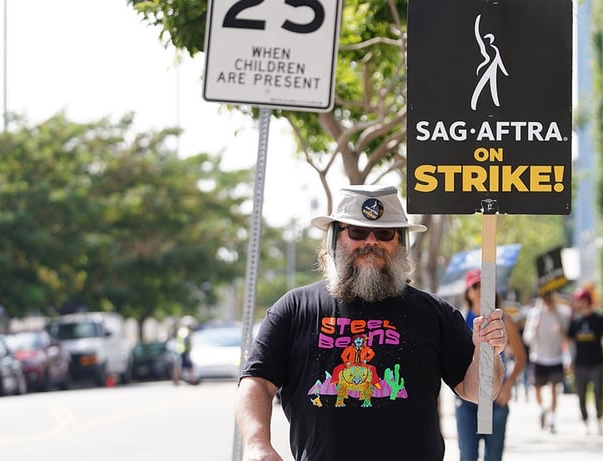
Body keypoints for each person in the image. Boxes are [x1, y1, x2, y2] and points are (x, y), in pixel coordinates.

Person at [235, 185, 509, 461]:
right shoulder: (294, 309)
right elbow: (256, 382)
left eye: (384, 233)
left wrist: (487, 351)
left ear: (399, 242)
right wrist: (257, 444)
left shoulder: (434, 313)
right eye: (357, 231)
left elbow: (477, 392)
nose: (371, 242)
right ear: (334, 238)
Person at [455, 268, 526, 461]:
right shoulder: (458, 320)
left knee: (493, 458)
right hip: (468, 403)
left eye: (485, 285)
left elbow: (521, 357)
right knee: (468, 456)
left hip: (496, 401)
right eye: (475, 285)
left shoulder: (504, 321)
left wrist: (508, 386)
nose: (480, 290)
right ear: (468, 291)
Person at [566, 284, 603, 435]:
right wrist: (569, 361)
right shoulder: (575, 321)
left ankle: (599, 419)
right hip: (580, 364)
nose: (577, 304)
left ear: (586, 301)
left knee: (599, 393)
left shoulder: (599, 319)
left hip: (597, 363)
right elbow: (569, 342)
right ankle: (585, 421)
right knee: (581, 394)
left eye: (579, 300)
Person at [522, 290, 569, 433]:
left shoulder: (561, 315)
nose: (548, 301)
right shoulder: (534, 314)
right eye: (545, 298)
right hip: (539, 358)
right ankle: (543, 409)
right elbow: (527, 338)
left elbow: (567, 338)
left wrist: (561, 332)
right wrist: (534, 330)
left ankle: (552, 420)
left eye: (550, 298)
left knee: (555, 390)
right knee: (537, 389)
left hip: (556, 357)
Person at [172, 315, 198, 385]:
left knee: (179, 366)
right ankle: (191, 380)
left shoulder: (182, 330)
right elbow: (186, 340)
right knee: (187, 367)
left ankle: (177, 381)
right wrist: (187, 352)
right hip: (183, 351)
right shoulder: (185, 331)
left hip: (180, 351)